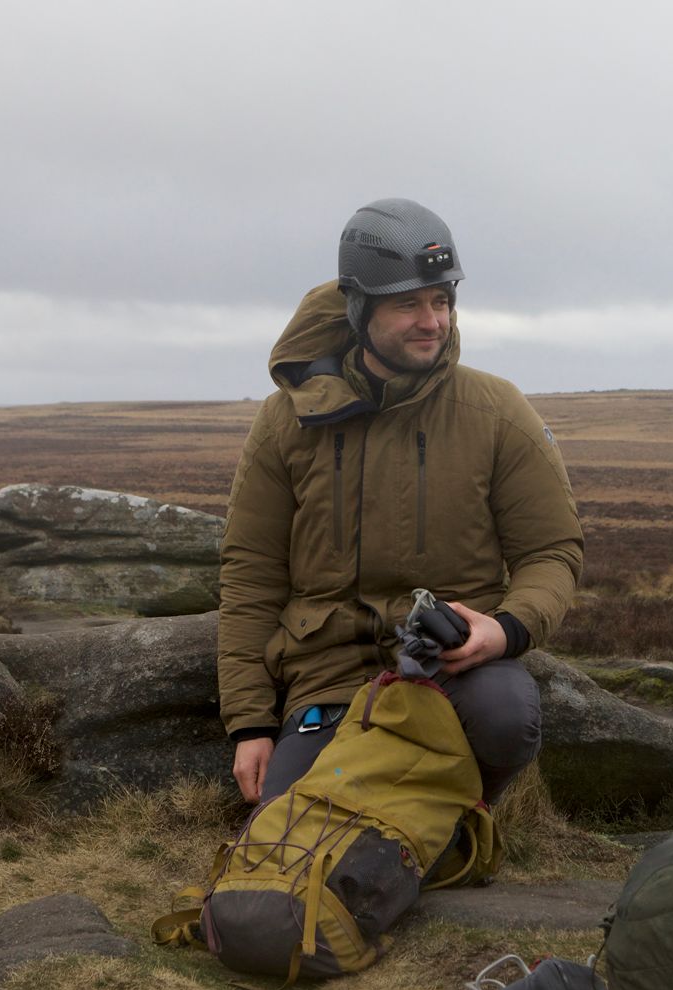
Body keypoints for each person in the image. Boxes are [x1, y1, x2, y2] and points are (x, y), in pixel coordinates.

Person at [219, 197, 583, 811]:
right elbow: (251, 574)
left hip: (454, 665)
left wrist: (507, 628)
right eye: (407, 303)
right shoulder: (287, 419)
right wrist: (250, 724)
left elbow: (551, 550)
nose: (432, 321)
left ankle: (461, 817)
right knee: (283, 824)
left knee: (506, 718)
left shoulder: (495, 411)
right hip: (325, 672)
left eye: (441, 300)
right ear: (360, 310)